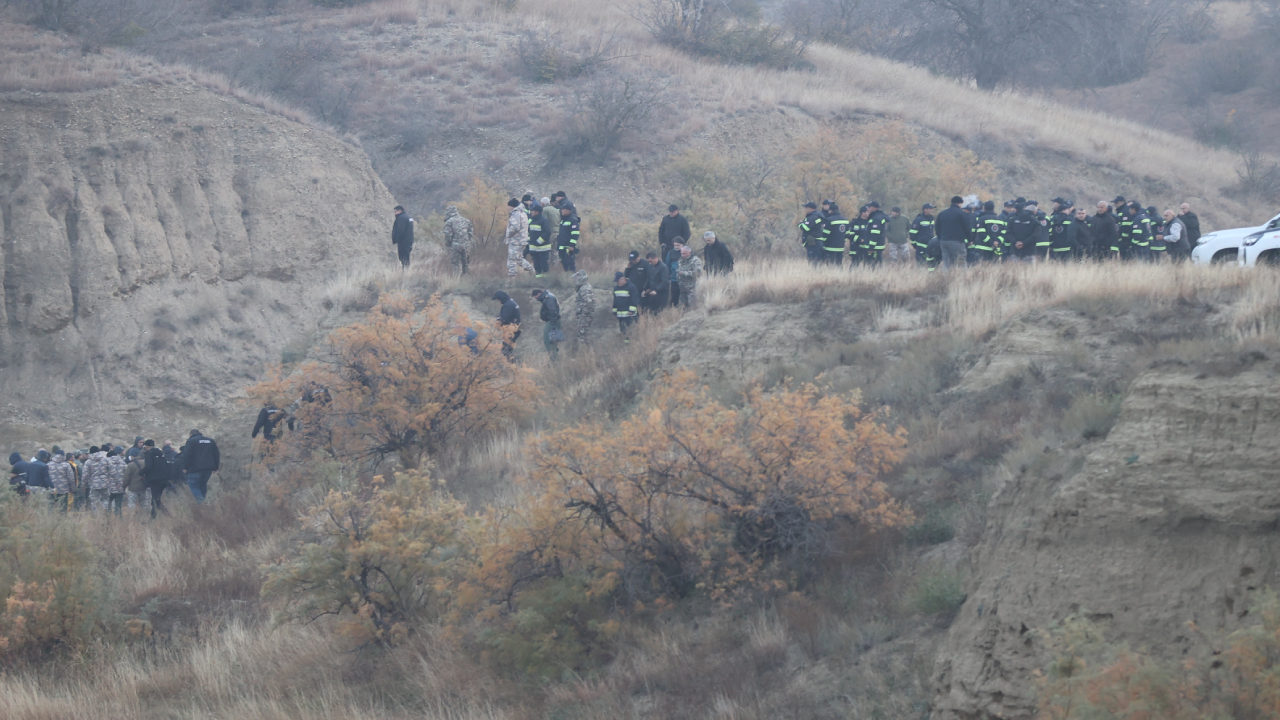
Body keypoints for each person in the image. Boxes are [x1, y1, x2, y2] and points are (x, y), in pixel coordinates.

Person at [180, 430, 219, 504]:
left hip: (195, 468)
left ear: (191, 434)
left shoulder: (191, 441)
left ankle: (202, 503)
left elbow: (186, 454)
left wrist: (185, 467)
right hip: (208, 468)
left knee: (193, 485)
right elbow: (216, 454)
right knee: (203, 485)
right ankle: (204, 502)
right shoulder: (210, 441)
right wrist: (216, 467)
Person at [935, 196, 969, 269]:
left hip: (944, 241)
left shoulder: (942, 213)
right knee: (961, 262)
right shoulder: (962, 214)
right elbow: (967, 228)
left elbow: (937, 227)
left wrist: (940, 238)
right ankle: (962, 279)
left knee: (946, 263)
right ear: (959, 203)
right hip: (957, 241)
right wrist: (970, 239)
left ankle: (945, 278)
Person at [504, 198, 535, 279]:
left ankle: (512, 277)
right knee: (519, 258)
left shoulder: (515, 214)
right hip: (522, 240)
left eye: (508, 206)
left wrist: (508, 234)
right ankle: (531, 270)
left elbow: (515, 227)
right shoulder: (523, 213)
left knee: (512, 259)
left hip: (515, 241)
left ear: (512, 206)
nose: (507, 208)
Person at [529, 289, 562, 361]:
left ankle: (554, 359)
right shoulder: (547, 297)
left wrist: (553, 325)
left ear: (538, 294)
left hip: (552, 321)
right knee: (553, 341)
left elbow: (553, 312)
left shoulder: (548, 298)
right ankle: (555, 358)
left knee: (547, 340)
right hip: (553, 321)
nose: (536, 299)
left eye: (536, 297)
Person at [142, 440, 171, 518]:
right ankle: (153, 516)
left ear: (146, 447)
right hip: (164, 480)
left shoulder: (149, 454)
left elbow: (148, 467)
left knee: (156, 500)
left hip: (155, 480)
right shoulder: (161, 454)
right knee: (156, 498)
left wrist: (141, 473)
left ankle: (167, 515)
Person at [443, 204, 473, 275]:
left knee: (455, 264)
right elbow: (471, 233)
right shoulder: (466, 221)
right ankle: (466, 280)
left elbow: (448, 235)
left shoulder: (449, 222)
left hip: (455, 246)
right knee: (466, 264)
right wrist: (467, 241)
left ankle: (456, 280)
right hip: (466, 245)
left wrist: (448, 244)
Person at [492, 291, 522, 361]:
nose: (498, 301)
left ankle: (511, 366)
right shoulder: (511, 303)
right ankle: (512, 365)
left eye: (498, 299)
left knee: (506, 350)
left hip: (511, 330)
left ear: (501, 298)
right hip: (515, 328)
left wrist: (496, 323)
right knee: (508, 349)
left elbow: (504, 318)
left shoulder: (508, 305)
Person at [527, 204, 554, 277]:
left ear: (537, 212)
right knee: (536, 264)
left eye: (533, 211)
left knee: (544, 264)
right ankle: (538, 278)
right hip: (533, 248)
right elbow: (529, 232)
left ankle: (546, 278)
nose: (531, 212)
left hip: (543, 248)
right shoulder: (531, 220)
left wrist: (539, 241)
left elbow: (547, 232)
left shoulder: (543, 221)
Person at [611, 272, 639, 341]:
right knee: (622, 329)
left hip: (629, 314)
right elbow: (615, 300)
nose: (617, 283)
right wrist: (614, 310)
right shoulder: (616, 288)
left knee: (629, 330)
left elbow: (635, 300)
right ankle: (625, 342)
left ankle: (630, 343)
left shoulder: (631, 287)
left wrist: (631, 311)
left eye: (618, 281)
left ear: (623, 279)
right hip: (620, 314)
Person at [572, 270, 596, 344]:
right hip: (583, 315)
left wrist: (584, 315)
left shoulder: (585, 288)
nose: (575, 281)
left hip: (585, 315)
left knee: (582, 335)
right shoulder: (583, 288)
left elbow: (589, 302)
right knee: (582, 334)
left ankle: (584, 351)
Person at [556, 200, 581, 272]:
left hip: (568, 247)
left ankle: (573, 281)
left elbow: (575, 234)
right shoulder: (563, 220)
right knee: (565, 266)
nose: (562, 211)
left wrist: (572, 245)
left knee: (571, 266)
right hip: (562, 247)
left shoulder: (573, 220)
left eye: (563, 209)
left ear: (568, 210)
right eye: (561, 209)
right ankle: (568, 278)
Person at [123, 450, 149, 514]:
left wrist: (123, 486)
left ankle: (132, 519)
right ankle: (144, 516)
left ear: (132, 456)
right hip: (144, 487)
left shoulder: (130, 465)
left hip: (133, 488)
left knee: (131, 504)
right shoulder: (146, 463)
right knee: (143, 503)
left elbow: (126, 478)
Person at [104, 446, 127, 515]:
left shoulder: (106, 462)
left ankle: (108, 517)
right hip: (120, 486)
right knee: (118, 504)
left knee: (108, 503)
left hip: (109, 487)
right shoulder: (122, 462)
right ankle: (118, 518)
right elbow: (127, 473)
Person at [666, 239, 685, 308]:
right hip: (674, 278)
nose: (676, 247)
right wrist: (668, 276)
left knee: (685, 295)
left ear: (682, 244)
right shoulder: (670, 253)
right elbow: (667, 265)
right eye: (675, 245)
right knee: (674, 295)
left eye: (678, 245)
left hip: (685, 278)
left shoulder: (687, 251)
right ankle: (673, 309)